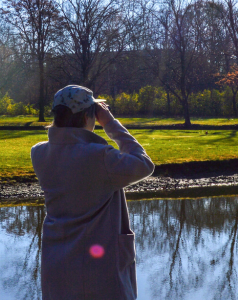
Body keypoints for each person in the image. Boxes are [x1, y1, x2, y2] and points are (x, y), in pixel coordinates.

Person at [31, 85, 155, 300]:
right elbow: (144, 164)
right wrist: (110, 123)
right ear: (90, 116)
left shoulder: (39, 153)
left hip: (57, 266)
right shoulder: (101, 157)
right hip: (100, 270)